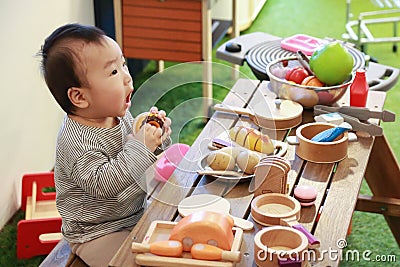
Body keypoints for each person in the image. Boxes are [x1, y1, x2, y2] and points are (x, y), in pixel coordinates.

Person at [39, 23, 172, 266]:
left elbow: (136, 158)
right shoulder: (76, 141)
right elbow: (105, 184)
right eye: (113, 72)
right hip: (96, 232)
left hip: (134, 212)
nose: (126, 76)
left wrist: (155, 138)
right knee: (133, 262)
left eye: (123, 64)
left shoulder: (117, 115)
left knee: (173, 244)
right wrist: (141, 146)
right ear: (79, 97)